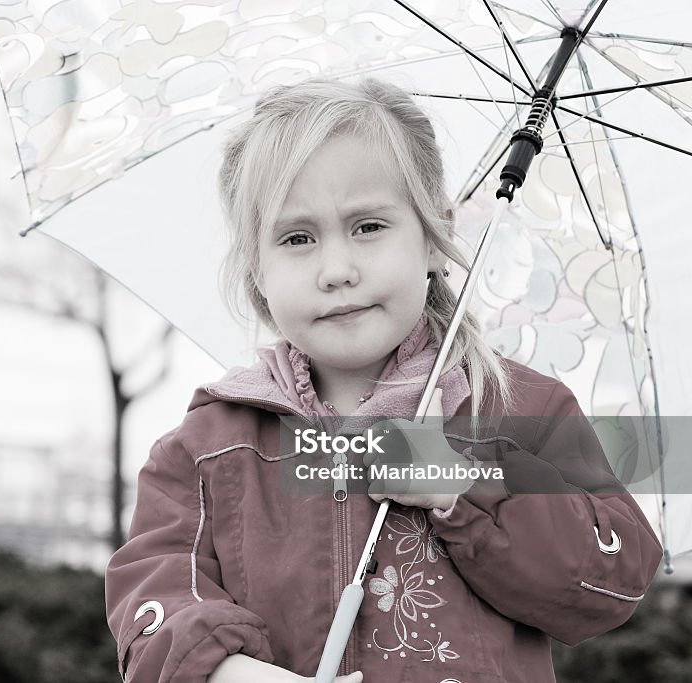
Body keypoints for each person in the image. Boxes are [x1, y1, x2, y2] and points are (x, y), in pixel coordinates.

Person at [104, 77, 662, 683]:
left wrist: (467, 485)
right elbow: (152, 592)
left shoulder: (518, 408)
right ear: (255, 269)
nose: (337, 270)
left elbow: (614, 577)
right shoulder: (209, 448)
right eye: (297, 238)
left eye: (368, 226)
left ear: (432, 237)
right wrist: (228, 671)